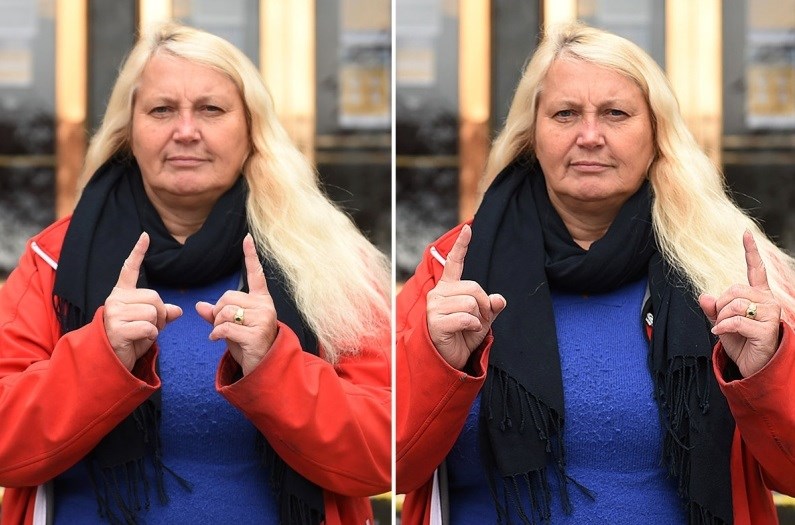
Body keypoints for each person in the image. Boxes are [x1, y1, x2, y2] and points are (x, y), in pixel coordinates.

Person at [396, 22, 795, 525]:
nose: (590, 136)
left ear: (656, 133)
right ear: (532, 134)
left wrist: (766, 372)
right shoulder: (452, 269)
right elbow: (387, 466)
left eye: (615, 113)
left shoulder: (730, 268)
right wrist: (439, 365)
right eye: (565, 114)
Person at [0, 22, 391, 525]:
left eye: (211, 109)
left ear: (252, 130)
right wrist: (101, 356)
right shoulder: (55, 259)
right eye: (162, 110)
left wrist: (275, 367)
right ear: (129, 131)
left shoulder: (328, 259)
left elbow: (383, 457)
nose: (186, 131)